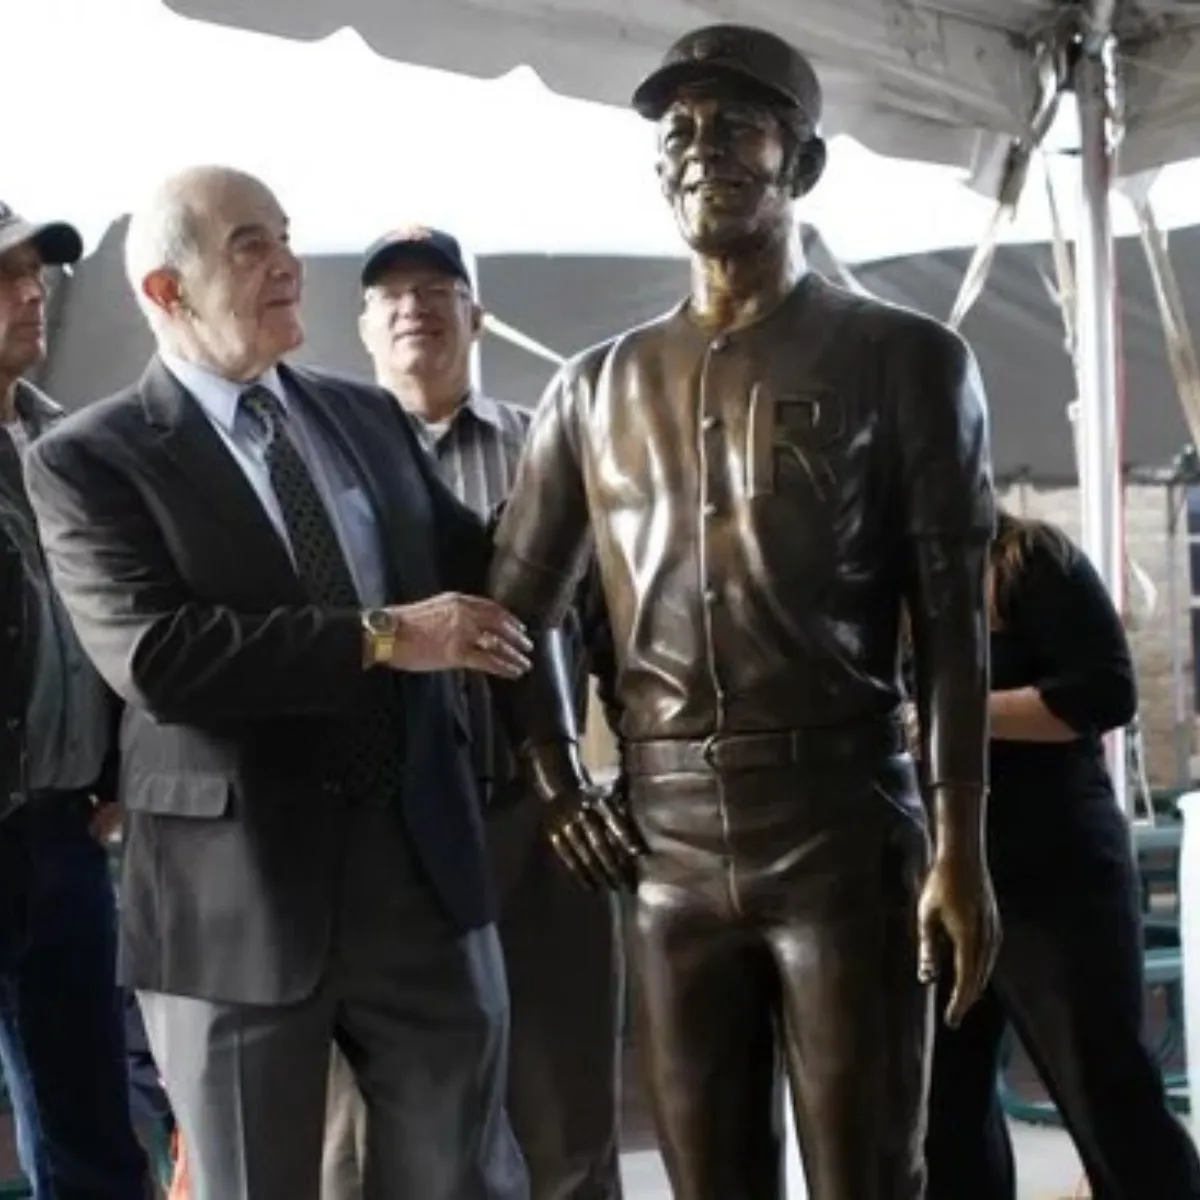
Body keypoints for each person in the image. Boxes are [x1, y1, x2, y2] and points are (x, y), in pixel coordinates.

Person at [484, 23, 1001, 1200]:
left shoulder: (907, 356)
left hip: (844, 826)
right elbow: (513, 612)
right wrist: (559, 777)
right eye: (679, 133)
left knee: (870, 1171)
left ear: (802, 164)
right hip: (667, 847)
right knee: (708, 1175)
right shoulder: (590, 387)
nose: (701, 151)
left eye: (738, 127)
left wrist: (962, 842)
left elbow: (955, 623)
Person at [21, 165, 533, 1200]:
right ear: (168, 291)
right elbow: (161, 655)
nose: (290, 264)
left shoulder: (366, 418)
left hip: (420, 882)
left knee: (466, 1179)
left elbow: (480, 566)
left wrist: (598, 486)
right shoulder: (89, 459)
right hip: (232, 902)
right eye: (250, 245)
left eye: (287, 237)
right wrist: (385, 637)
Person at [341, 225, 623, 1200]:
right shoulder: (329, 459)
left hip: (534, 808)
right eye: (392, 293)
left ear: (479, 316)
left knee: (564, 1097)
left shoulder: (549, 450)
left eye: (438, 288)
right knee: (407, 1113)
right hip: (386, 823)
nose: (414, 305)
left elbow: (610, 621)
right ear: (364, 324)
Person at [923, 510, 1200, 1200]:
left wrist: (953, 713)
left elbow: (1104, 694)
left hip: (1054, 870)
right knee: (940, 1117)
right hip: (930, 875)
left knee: (1107, 1101)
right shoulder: (884, 581)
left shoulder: (1030, 560)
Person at [0, 201, 151, 1199]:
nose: (33, 293)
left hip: (58, 836)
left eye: (36, 273)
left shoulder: (63, 451)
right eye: (5, 279)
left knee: (92, 1129)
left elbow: (114, 626)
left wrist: (115, 769)